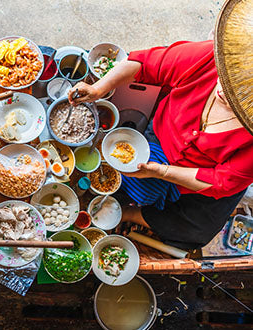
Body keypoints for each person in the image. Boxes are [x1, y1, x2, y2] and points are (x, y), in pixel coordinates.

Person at [68, 1, 253, 250]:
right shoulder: (209, 57)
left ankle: (130, 214)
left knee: (197, 232)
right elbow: (145, 64)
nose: (222, 90)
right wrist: (99, 88)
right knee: (123, 177)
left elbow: (222, 181)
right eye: (228, 78)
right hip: (159, 135)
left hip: (197, 175)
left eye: (238, 96)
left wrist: (162, 172)